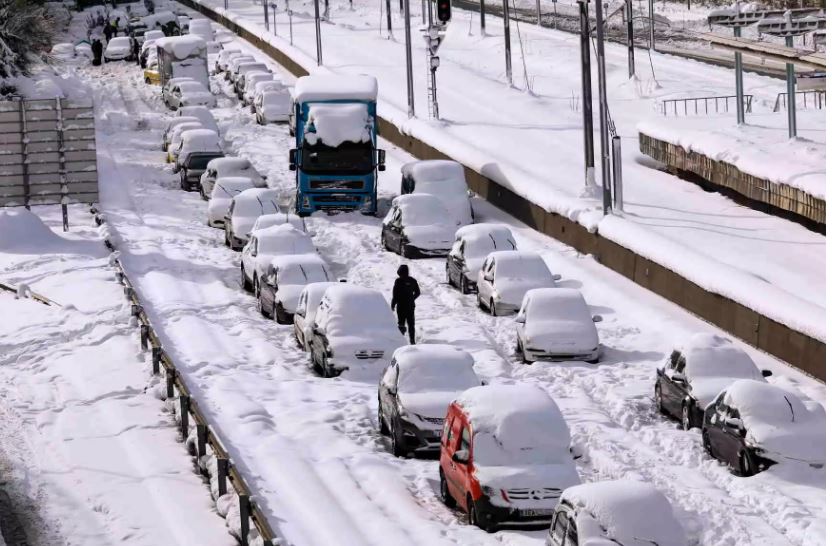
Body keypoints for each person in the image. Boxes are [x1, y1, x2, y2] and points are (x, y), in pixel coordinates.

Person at [390, 264, 420, 345]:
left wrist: (392, 305)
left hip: (401, 306)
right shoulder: (413, 280)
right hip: (410, 306)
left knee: (401, 323)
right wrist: (412, 298)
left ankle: (401, 341)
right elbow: (418, 292)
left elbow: (395, 295)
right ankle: (412, 341)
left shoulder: (398, 281)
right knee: (411, 324)